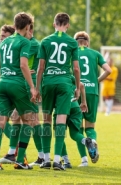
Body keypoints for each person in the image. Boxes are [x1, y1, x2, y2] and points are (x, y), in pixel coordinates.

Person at [0, 12, 36, 170]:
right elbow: (23, 65)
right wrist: (32, 87)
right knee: (28, 120)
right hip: (17, 84)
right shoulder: (24, 42)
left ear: (14, 26)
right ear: (28, 26)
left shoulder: (4, 42)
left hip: (2, 84)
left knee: (0, 123)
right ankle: (20, 160)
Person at [35, 12, 81, 170]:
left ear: (54, 24)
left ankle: (45, 160)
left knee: (46, 120)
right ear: (67, 25)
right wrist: (77, 87)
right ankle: (56, 160)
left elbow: (40, 67)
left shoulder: (45, 41)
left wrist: (37, 88)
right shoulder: (72, 42)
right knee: (60, 121)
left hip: (47, 83)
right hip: (64, 84)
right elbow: (75, 68)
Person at [0, 21, 43, 166]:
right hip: (19, 83)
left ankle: (42, 156)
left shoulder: (33, 44)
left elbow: (19, 62)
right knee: (16, 118)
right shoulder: (23, 42)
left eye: (5, 36)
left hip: (29, 85)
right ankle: (12, 153)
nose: (3, 40)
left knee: (33, 119)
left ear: (29, 30)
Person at [74, 31, 111, 166]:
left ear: (75, 42)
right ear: (87, 42)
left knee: (77, 129)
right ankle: (92, 141)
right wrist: (95, 81)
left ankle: (84, 160)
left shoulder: (72, 53)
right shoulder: (95, 54)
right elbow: (108, 70)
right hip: (92, 92)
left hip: (76, 91)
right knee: (90, 126)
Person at [52, 76, 98, 170]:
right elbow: (81, 85)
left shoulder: (50, 77)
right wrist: (83, 102)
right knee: (74, 134)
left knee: (59, 136)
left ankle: (66, 161)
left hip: (62, 108)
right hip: (75, 106)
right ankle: (86, 141)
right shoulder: (68, 75)